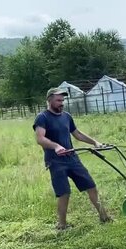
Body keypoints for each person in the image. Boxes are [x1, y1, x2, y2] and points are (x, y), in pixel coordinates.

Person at [32, 87, 112, 230]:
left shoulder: (66, 116)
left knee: (91, 186)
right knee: (64, 192)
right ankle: (62, 225)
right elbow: (40, 139)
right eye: (58, 100)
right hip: (55, 161)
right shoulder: (42, 117)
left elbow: (78, 134)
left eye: (63, 100)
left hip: (72, 158)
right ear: (49, 100)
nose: (61, 103)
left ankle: (104, 216)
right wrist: (56, 146)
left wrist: (95, 142)